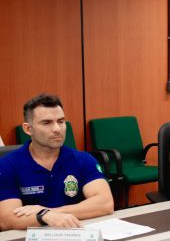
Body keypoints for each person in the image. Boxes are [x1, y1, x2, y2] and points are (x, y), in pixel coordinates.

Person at [0, 94, 114, 230]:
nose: (57, 129)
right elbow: (6, 220)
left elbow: (105, 203)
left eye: (60, 121)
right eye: (47, 123)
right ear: (28, 129)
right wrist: (46, 216)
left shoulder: (83, 159)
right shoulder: (7, 165)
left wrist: (47, 213)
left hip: (73, 233)